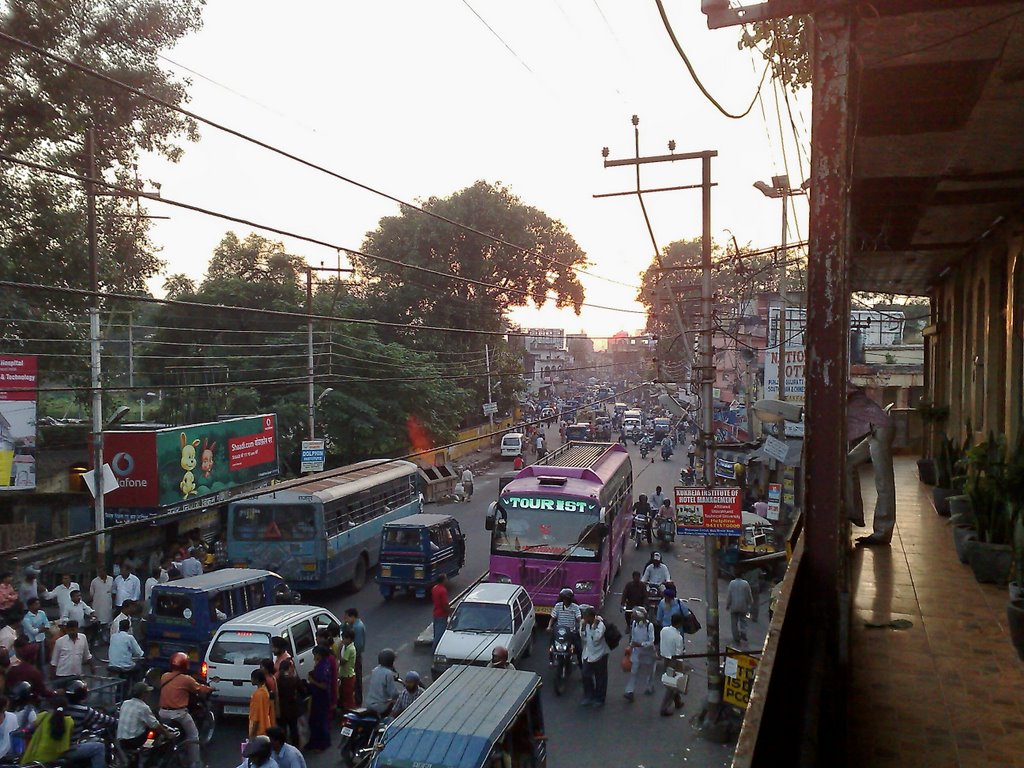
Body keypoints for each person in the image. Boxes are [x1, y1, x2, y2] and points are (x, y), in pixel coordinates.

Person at [159, 651, 212, 768]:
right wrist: (209, 689)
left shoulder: (164, 676)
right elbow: (199, 689)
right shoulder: (186, 679)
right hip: (179, 714)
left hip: (162, 713)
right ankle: (196, 763)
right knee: (193, 736)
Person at [65, 679, 116, 768]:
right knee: (99, 747)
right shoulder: (83, 711)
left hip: (53, 748)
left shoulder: (59, 707)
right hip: (68, 749)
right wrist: (118, 721)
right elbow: (106, 720)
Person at [117, 682, 167, 750]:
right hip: (134, 741)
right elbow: (155, 725)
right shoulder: (143, 707)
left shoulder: (125, 703)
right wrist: (167, 734)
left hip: (121, 740)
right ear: (143, 694)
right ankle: (147, 747)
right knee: (154, 731)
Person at [305, 645, 334, 752]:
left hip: (321, 698)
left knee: (319, 721)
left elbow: (324, 685)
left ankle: (321, 744)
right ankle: (314, 742)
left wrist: (312, 681)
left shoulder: (322, 667)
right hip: (318, 697)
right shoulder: (323, 663)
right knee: (315, 721)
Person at [623, 606, 656, 701]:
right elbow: (633, 637)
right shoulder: (634, 624)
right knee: (634, 671)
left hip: (648, 652)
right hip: (637, 652)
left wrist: (641, 644)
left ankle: (650, 687)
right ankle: (630, 691)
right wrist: (631, 646)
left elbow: (651, 641)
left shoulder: (649, 626)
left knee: (650, 671)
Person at [658, 612, 688, 716]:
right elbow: (678, 655)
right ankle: (664, 708)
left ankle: (677, 702)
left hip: (665, 658)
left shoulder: (664, 630)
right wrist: (682, 668)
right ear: (679, 624)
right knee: (672, 685)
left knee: (672, 683)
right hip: (673, 661)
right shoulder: (678, 637)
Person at [579, 606, 609, 708]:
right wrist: (583, 628)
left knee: (600, 678)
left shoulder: (600, 625)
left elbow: (596, 639)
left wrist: (592, 628)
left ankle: (600, 698)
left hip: (600, 654)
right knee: (585, 674)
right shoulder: (585, 624)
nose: (584, 619)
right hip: (588, 653)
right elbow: (583, 637)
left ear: (591, 617)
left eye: (586, 617)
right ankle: (589, 695)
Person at [275, 659, 305, 748]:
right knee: (293, 728)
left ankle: (282, 745)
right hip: (293, 708)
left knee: (282, 728)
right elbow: (302, 691)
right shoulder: (294, 679)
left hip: (281, 708)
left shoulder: (277, 680)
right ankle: (295, 746)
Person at [548, 588, 582, 665]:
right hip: (559, 631)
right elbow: (552, 618)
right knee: (551, 644)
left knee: (579, 648)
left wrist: (581, 627)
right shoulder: (558, 606)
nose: (566, 600)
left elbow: (579, 619)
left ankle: (580, 663)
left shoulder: (575, 607)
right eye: (565, 599)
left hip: (571, 632)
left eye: (568, 599)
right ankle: (551, 659)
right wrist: (549, 626)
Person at [364, 648, 400, 717]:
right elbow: (393, 693)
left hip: (369, 703)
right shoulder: (388, 673)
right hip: (380, 706)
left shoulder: (375, 670)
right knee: (396, 703)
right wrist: (401, 694)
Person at [343, 608, 366, 706]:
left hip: (355, 657)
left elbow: (359, 645)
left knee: (357, 680)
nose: (345, 619)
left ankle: (358, 701)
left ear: (352, 616)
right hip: (353, 656)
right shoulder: (352, 625)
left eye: (347, 617)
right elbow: (342, 628)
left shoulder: (357, 627)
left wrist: (351, 655)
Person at [20, 598, 49, 668]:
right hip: (32, 641)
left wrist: (39, 629)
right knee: (32, 661)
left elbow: (47, 625)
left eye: (38, 603)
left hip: (42, 639)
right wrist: (41, 628)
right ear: (30, 606)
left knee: (42, 661)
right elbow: (33, 631)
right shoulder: (26, 619)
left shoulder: (42, 613)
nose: (38, 605)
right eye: (36, 604)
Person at [248, 669, 276, 740]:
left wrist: (252, 735)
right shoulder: (265, 691)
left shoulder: (257, 695)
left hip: (259, 731)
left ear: (256, 679)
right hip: (266, 726)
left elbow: (256, 717)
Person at [726, 575, 754, 645]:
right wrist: (750, 603)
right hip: (743, 606)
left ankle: (736, 637)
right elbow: (748, 595)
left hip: (734, 606)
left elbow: (729, 595)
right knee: (743, 620)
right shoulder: (745, 583)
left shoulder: (732, 583)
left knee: (734, 623)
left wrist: (728, 605)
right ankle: (743, 633)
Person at [338, 627, 357, 712]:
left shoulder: (349, 649)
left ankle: (351, 713)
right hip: (345, 674)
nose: (343, 641)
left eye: (344, 639)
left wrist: (338, 650)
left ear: (349, 639)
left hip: (348, 676)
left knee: (348, 697)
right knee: (346, 696)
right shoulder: (347, 647)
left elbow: (343, 662)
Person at [431, 575, 450, 654]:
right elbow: (445, 604)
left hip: (436, 612)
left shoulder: (435, 588)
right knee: (440, 634)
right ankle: (436, 650)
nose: (447, 580)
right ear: (442, 580)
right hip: (442, 614)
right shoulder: (443, 590)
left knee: (436, 632)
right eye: (446, 579)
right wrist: (449, 612)